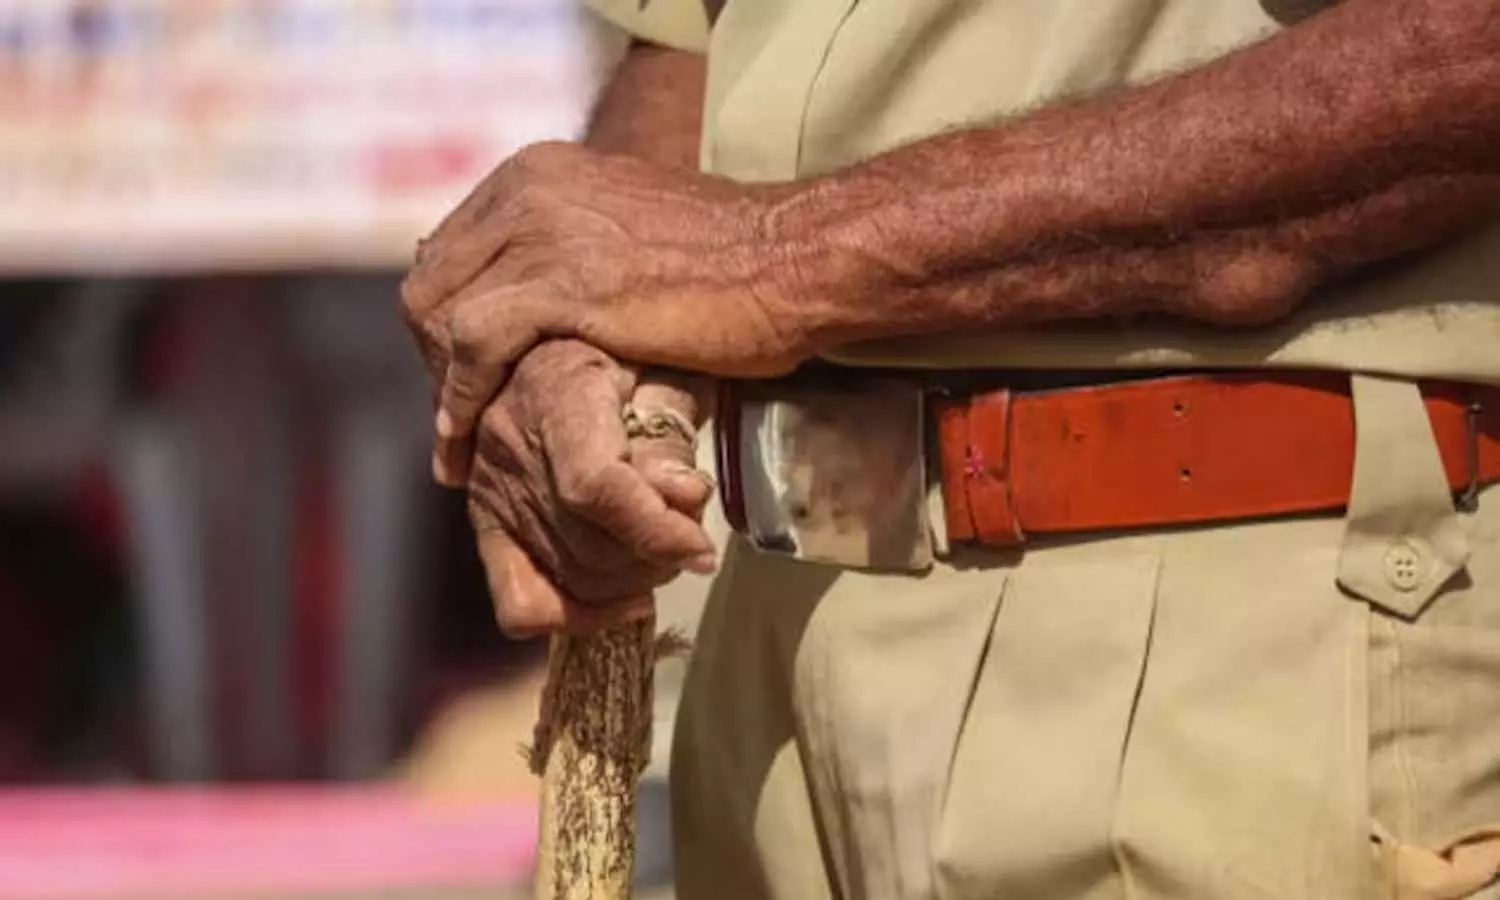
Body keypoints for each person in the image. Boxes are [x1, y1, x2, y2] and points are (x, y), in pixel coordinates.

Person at [401, 0, 1500, 896]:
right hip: (774, 651)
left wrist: (765, 261)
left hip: (1254, 639)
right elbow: (695, 40)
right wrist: (590, 334)